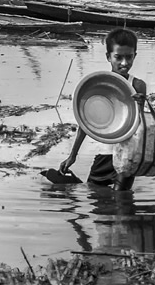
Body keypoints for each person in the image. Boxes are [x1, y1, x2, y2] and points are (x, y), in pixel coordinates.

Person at [59, 27, 147, 190]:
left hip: (128, 156)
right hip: (104, 154)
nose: (124, 63)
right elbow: (85, 123)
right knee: (95, 198)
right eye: (118, 57)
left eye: (129, 57)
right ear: (108, 57)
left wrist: (141, 106)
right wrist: (73, 156)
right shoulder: (100, 85)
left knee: (121, 201)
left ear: (135, 55)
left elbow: (142, 126)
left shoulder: (138, 85)